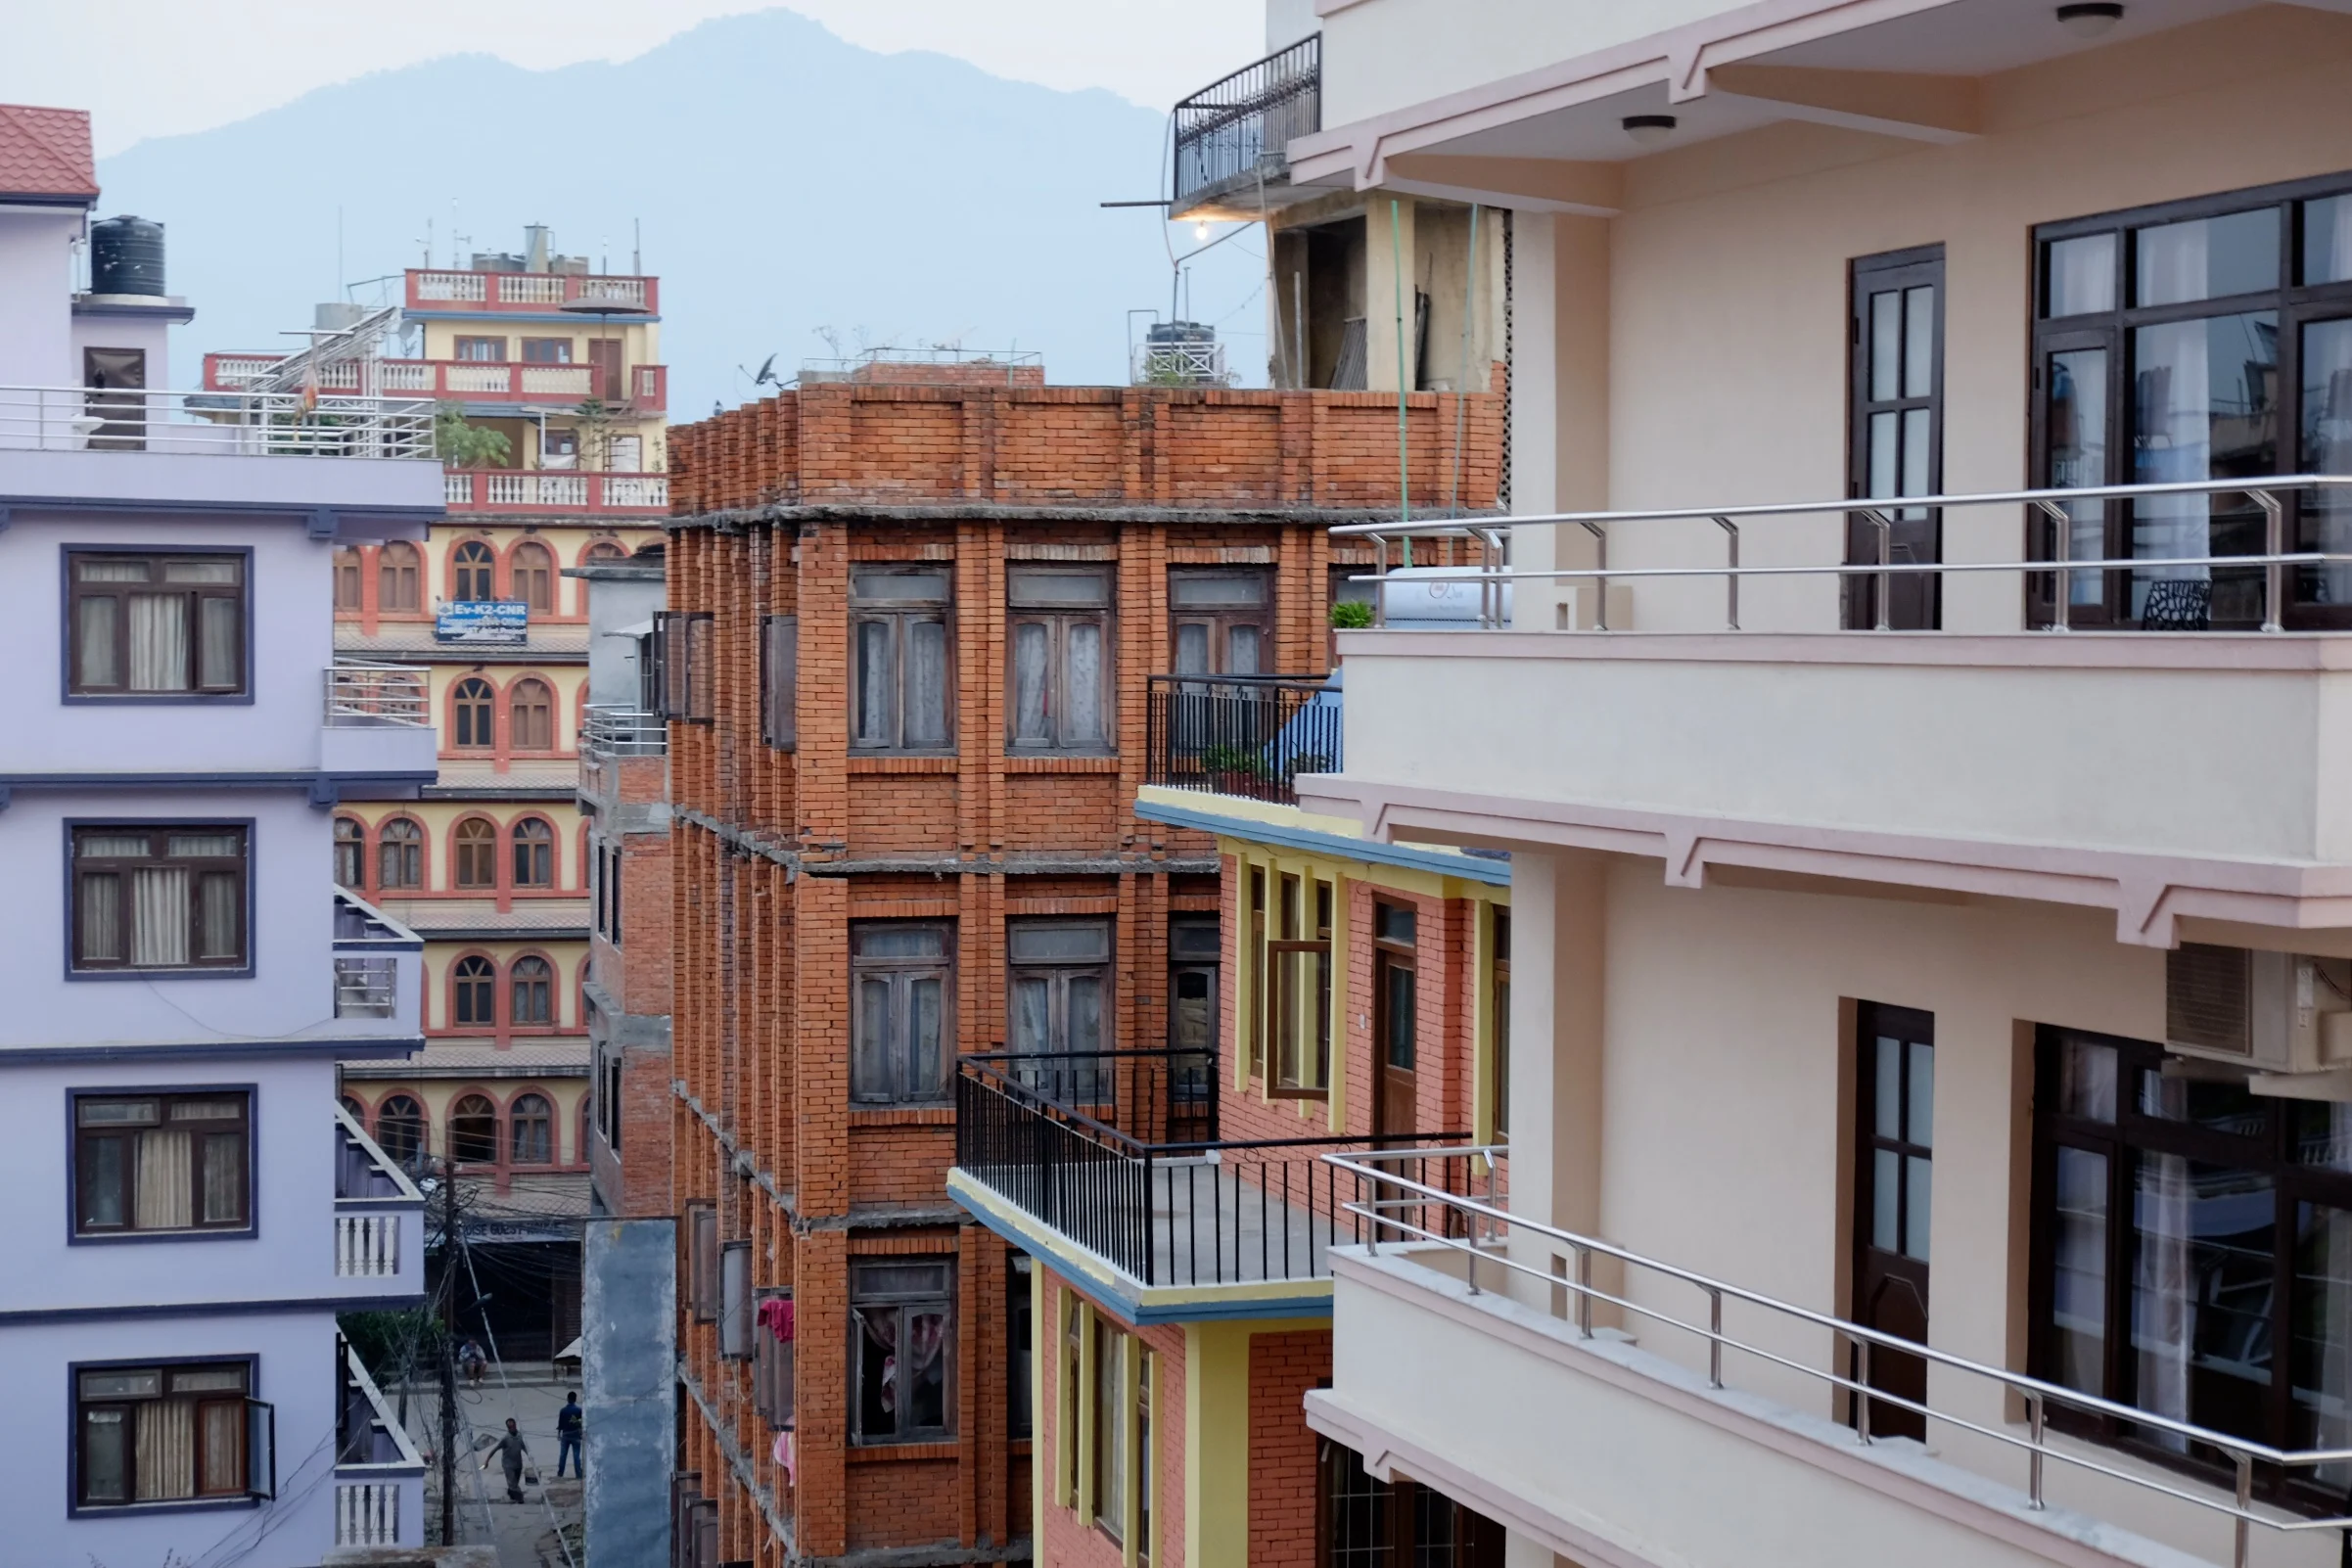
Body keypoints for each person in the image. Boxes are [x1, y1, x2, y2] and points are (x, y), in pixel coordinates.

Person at [483, 1416, 530, 1502]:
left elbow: (524, 1447)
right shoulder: (505, 1439)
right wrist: (487, 1461)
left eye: (513, 1426)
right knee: (513, 1484)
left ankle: (511, 1494)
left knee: (514, 1483)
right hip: (508, 1465)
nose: (512, 1428)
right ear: (508, 1428)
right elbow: (494, 1450)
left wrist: (529, 1456)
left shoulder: (519, 1436)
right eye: (510, 1427)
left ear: (515, 1425)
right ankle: (520, 1499)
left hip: (518, 1464)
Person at [556, 1391, 583, 1478]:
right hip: (576, 1435)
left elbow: (560, 1424)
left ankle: (560, 1473)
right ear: (575, 1399)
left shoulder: (563, 1411)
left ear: (567, 1399)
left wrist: (558, 1434)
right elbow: (581, 1424)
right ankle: (578, 1474)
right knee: (576, 1456)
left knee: (563, 1455)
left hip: (565, 1435)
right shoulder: (579, 1410)